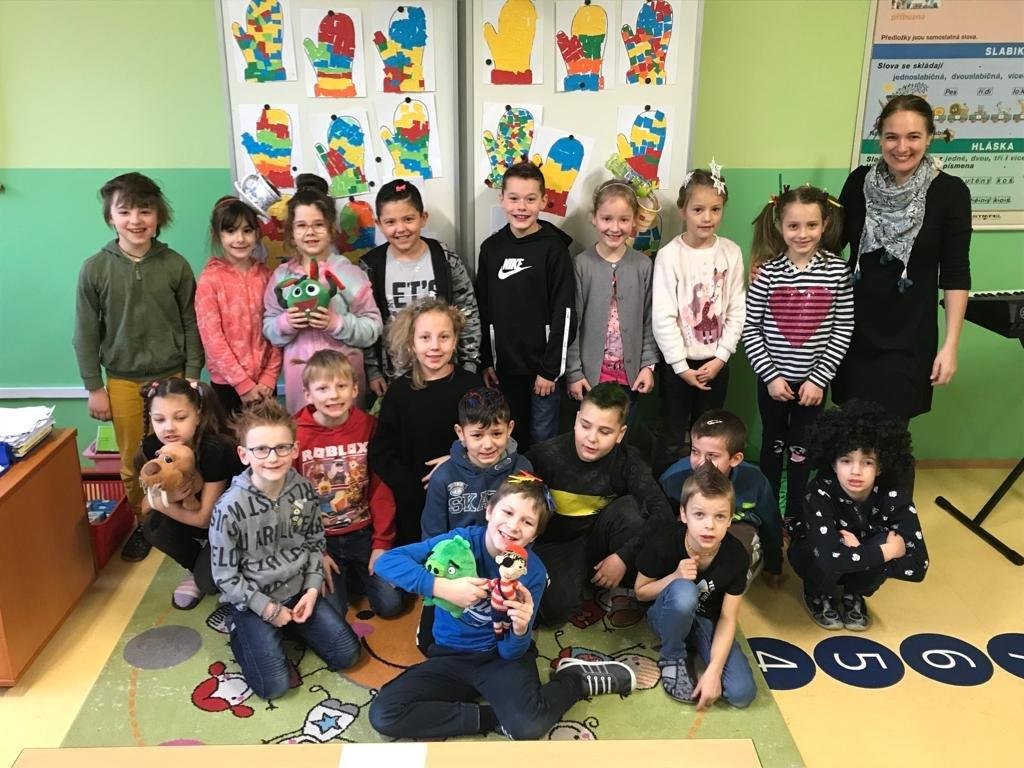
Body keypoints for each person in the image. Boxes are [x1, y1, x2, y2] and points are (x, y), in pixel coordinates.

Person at [368, 474, 636, 740]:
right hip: (450, 658)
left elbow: (512, 652)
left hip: (499, 660)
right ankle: (494, 718)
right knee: (384, 713)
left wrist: (520, 630)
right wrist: (442, 587)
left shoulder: (531, 574)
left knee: (528, 727)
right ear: (488, 511)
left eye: (527, 522)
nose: (513, 526)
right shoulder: (458, 543)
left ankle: (575, 680)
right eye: (507, 512)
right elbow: (386, 563)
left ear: (534, 535)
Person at [73, 172, 203, 562]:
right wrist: (94, 387)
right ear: (110, 217)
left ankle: (185, 521)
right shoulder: (95, 269)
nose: (135, 220)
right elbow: (85, 333)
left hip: (173, 376)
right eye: (125, 211)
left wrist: (192, 373)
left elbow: (190, 322)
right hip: (122, 380)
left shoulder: (175, 265)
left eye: (145, 210)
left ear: (158, 216)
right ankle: (144, 522)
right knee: (134, 460)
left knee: (180, 453)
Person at [833, 95, 971, 436]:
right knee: (850, 439)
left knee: (890, 439)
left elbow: (955, 273)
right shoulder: (858, 182)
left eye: (913, 137)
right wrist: (772, 262)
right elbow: (829, 248)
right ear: (879, 138)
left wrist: (951, 346)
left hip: (909, 337)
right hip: (851, 331)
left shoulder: (950, 192)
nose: (902, 147)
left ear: (929, 138)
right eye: (892, 137)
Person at [209, 398, 361, 700]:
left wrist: (312, 589)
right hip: (255, 600)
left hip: (297, 589)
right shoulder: (228, 508)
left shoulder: (302, 488)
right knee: (274, 687)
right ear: (243, 454)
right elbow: (225, 576)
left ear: (295, 449)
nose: (272, 457)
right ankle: (240, 629)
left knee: (347, 654)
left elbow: (314, 540)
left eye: (281, 447)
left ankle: (289, 626)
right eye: (261, 449)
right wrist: (268, 609)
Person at [743, 185, 854, 521]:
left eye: (811, 225)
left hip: (812, 387)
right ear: (780, 225)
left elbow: (842, 329)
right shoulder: (767, 273)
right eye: (793, 226)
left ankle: (795, 514)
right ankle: (768, 515)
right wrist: (771, 377)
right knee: (773, 445)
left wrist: (818, 380)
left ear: (825, 225)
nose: (802, 234)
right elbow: (751, 329)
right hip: (773, 383)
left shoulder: (838, 272)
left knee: (802, 449)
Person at [527, 383, 673, 626]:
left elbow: (663, 513)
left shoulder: (628, 460)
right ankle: (584, 580)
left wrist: (623, 556)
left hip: (601, 538)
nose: (592, 438)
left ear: (620, 434)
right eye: (585, 426)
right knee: (553, 611)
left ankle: (621, 588)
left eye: (605, 431)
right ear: (576, 421)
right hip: (557, 543)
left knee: (631, 511)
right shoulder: (545, 456)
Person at [787, 399, 927, 631]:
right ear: (833, 464)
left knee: (877, 541)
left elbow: (919, 565)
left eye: (867, 462)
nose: (855, 471)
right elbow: (828, 558)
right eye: (846, 460)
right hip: (818, 557)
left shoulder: (893, 495)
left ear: (880, 467)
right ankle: (817, 592)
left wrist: (860, 552)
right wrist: (886, 552)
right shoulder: (819, 491)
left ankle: (854, 592)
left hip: (855, 558)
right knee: (823, 548)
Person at [636, 463, 756, 710]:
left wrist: (714, 671)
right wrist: (675, 576)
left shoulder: (736, 556)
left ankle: (697, 655)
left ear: (730, 519)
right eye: (699, 515)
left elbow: (727, 617)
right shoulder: (664, 540)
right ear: (683, 514)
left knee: (742, 693)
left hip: (705, 621)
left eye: (719, 516)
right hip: (665, 615)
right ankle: (672, 657)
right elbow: (640, 592)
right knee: (684, 592)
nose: (709, 525)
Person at [652, 167, 746, 477]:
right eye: (698, 210)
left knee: (710, 437)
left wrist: (721, 357)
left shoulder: (731, 252)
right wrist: (681, 366)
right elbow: (663, 315)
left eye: (715, 209)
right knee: (672, 435)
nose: (707, 217)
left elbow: (736, 308)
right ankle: (665, 495)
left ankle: (707, 491)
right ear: (683, 211)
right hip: (678, 366)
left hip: (715, 364)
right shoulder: (670, 255)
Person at [294, 350, 402, 619]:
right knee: (332, 612)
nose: (333, 395)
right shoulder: (296, 433)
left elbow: (380, 488)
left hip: (363, 534)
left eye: (341, 386)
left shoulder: (369, 426)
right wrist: (314, 551)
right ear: (307, 394)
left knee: (391, 605)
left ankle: (355, 575)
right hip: (322, 540)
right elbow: (292, 499)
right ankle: (347, 578)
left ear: (355, 389)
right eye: (323, 388)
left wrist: (382, 543)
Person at [476, 161, 575, 450]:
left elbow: (565, 313)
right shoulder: (491, 248)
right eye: (514, 198)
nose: (521, 207)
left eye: (530, 199)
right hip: (504, 371)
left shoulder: (554, 248)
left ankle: (540, 481)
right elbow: (482, 308)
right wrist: (486, 361)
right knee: (509, 439)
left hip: (542, 373)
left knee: (543, 441)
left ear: (543, 201)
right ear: (502, 200)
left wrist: (550, 370)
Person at [262, 179, 382, 414]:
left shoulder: (349, 273)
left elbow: (373, 327)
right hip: (302, 386)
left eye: (318, 224)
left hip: (344, 385)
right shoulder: (281, 277)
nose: (310, 232)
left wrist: (337, 324)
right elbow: (269, 328)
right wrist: (286, 323)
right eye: (301, 225)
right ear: (291, 232)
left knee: (349, 434)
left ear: (330, 228)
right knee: (306, 434)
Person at [369, 298, 481, 545]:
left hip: (464, 500)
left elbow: (492, 438)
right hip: (415, 506)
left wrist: (459, 459)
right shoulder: (399, 392)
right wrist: (410, 487)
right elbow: (382, 453)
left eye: (444, 337)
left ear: (455, 340)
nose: (435, 346)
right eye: (425, 337)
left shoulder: (471, 386)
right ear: (412, 342)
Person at [362, 179, 481, 395]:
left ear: (423, 218)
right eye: (390, 222)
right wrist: (373, 371)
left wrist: (469, 364)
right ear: (378, 224)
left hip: (445, 373)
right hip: (394, 377)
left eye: (408, 219)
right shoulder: (370, 267)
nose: (400, 229)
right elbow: (367, 321)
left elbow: (468, 312)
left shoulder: (445, 260)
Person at [137, 378, 243, 610]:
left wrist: (159, 501)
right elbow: (144, 506)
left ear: (198, 414)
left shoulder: (216, 448)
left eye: (180, 417)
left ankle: (222, 563)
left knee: (210, 584)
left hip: (228, 525)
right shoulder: (153, 446)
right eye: (159, 419)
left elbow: (205, 518)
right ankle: (197, 567)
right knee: (153, 527)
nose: (169, 428)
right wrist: (167, 499)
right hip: (189, 514)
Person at [566, 180, 658, 426]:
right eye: (607, 219)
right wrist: (574, 372)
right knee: (592, 434)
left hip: (630, 377)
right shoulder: (581, 264)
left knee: (622, 434)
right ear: (594, 218)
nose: (615, 228)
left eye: (623, 219)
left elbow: (649, 320)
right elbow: (573, 324)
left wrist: (648, 365)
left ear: (634, 221)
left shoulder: (643, 265)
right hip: (590, 378)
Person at [659, 410, 780, 586]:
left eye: (712, 456)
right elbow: (662, 521)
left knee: (734, 558)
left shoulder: (755, 480)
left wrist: (774, 565)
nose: (701, 462)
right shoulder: (673, 478)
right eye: (695, 452)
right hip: (691, 526)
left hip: (738, 528)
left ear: (735, 459)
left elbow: (771, 523)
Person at [196, 196, 282, 417]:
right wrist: (242, 384)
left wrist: (269, 377)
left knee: (266, 438)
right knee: (230, 438)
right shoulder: (210, 280)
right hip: (227, 386)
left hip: (265, 386)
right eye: (231, 231)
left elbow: (277, 328)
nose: (240, 239)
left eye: (247, 230)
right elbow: (213, 339)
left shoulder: (267, 276)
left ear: (257, 233)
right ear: (218, 235)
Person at [422, 387, 532, 539]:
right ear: (460, 433)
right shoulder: (443, 477)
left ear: (509, 429)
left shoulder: (522, 469)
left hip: (508, 551)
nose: (487, 445)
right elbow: (432, 535)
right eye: (477, 435)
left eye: (496, 433)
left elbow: (528, 523)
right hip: (455, 553)